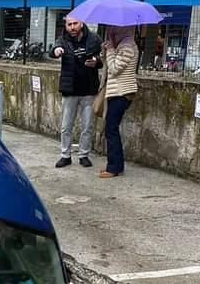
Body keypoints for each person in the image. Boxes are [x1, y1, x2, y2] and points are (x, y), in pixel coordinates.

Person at [50, 15, 102, 168]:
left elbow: (102, 59)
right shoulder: (63, 40)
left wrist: (96, 62)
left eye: (75, 23)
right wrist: (57, 51)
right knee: (66, 126)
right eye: (69, 24)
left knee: (87, 126)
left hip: (88, 89)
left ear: (81, 23)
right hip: (70, 89)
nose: (72, 27)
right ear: (65, 26)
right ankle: (65, 155)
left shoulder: (94, 38)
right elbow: (52, 51)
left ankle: (84, 154)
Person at [100, 25, 138, 178]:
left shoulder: (127, 46)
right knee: (111, 129)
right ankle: (116, 165)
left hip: (122, 93)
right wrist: (106, 51)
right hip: (117, 92)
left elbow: (115, 69)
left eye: (113, 29)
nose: (110, 32)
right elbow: (108, 65)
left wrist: (110, 50)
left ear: (123, 29)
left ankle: (114, 168)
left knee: (111, 129)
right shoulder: (122, 45)